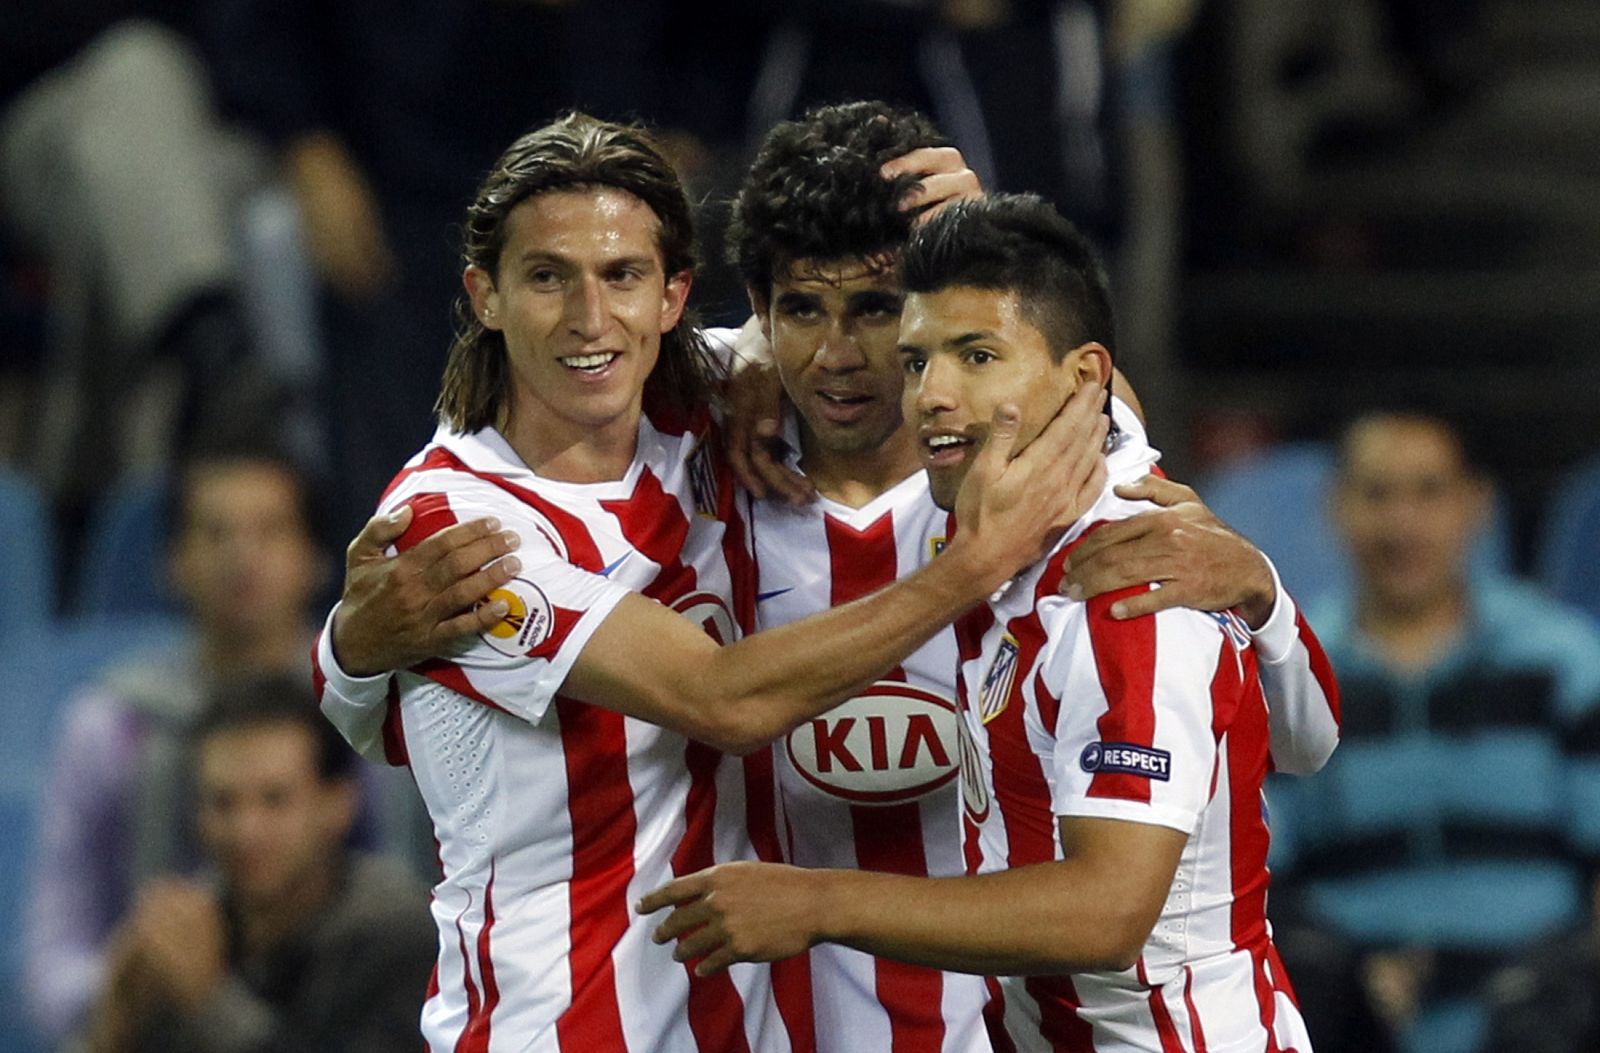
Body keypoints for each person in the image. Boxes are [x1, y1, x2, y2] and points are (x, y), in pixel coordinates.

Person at [310, 112, 1111, 1052]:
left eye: (622, 277)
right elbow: (720, 699)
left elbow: (1030, 381)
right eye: (546, 278)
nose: (588, 319)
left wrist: (980, 263)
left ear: (673, 295)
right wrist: (977, 562)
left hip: (728, 1023)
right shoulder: (464, 526)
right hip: (555, 1027)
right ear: (484, 295)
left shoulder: (697, 405)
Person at [639, 194, 1320, 1052]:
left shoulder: (1128, 590)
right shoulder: (1026, 551)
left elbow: (1108, 912)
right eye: (918, 361)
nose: (931, 394)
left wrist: (817, 901)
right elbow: (1312, 740)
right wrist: (1266, 593)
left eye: (975, 356)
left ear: (1081, 382)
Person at [1265, 408, 1600, 1048]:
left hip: (1549, 1013)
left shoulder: (1564, 663)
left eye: (1428, 491)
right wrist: (1344, 972)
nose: (1402, 524)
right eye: (1377, 494)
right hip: (1344, 1018)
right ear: (1335, 507)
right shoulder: (1289, 675)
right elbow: (1254, 872)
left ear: (1476, 505)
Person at [23, 437, 330, 1042]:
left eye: (269, 531)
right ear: (173, 563)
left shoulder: (374, 716)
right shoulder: (109, 725)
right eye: (215, 534)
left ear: (316, 558)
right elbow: (53, 952)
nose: (243, 557)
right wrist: (140, 974)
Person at [75, 673, 436, 1053]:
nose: (246, 832)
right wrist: (110, 1027)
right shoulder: (187, 932)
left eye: (275, 800)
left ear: (338, 805)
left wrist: (212, 1003)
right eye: (222, 802)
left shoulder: (400, 936)